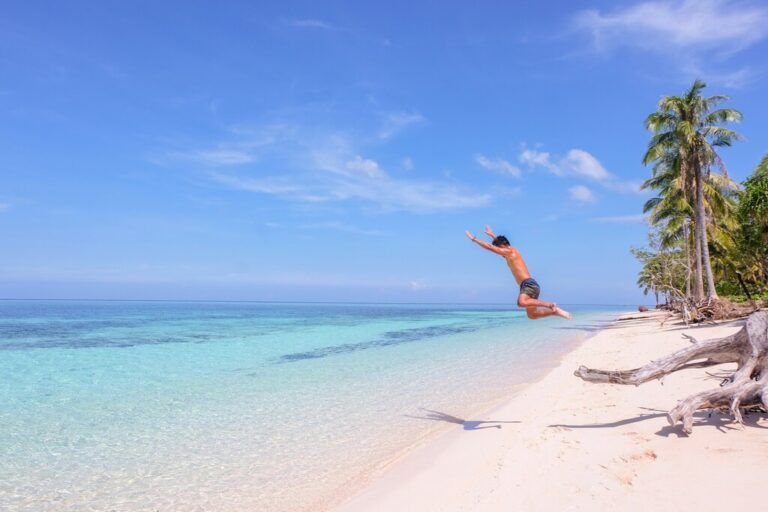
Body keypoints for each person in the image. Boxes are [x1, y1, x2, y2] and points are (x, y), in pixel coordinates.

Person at [465, 225, 571, 320]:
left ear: (503, 246)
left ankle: (550, 305)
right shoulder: (510, 252)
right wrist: (493, 235)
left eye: (499, 248)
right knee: (532, 315)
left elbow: (490, 247)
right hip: (529, 285)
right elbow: (499, 246)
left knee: (521, 303)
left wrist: (474, 239)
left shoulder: (510, 251)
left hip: (528, 284)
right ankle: (555, 312)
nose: (498, 251)